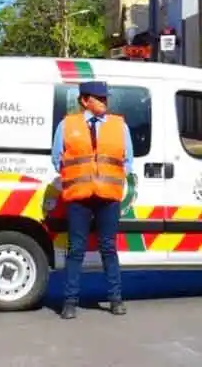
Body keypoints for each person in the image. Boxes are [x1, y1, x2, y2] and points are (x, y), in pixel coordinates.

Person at [50, 80, 134, 319]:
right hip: (79, 197)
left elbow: (128, 160)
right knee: (76, 250)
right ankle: (70, 302)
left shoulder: (119, 125)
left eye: (106, 98)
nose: (105, 102)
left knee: (108, 248)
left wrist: (115, 176)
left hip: (108, 196)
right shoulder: (67, 125)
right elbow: (57, 158)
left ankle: (116, 299)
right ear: (85, 100)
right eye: (100, 98)